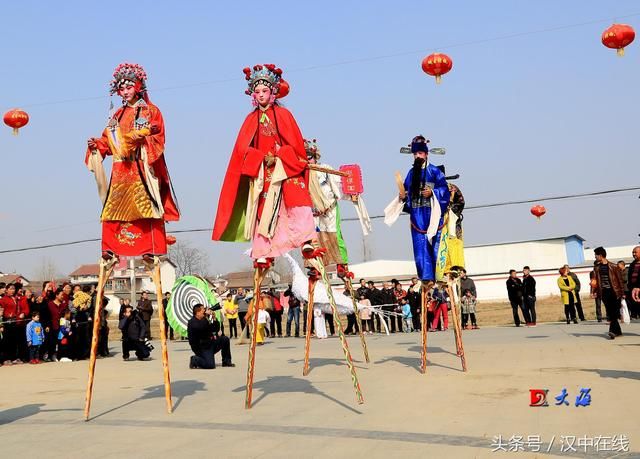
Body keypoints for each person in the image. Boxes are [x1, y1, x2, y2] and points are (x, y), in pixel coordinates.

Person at [212, 63, 315, 265]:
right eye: (257, 91)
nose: (260, 95)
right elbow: (242, 151)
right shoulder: (250, 120)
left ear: (273, 92)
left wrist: (280, 155)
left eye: (264, 91)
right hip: (264, 171)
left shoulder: (284, 115)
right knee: (263, 207)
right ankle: (262, 249)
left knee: (296, 196)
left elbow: (296, 147)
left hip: (286, 167)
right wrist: (260, 157)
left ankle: (305, 239)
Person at [86, 62, 180, 260]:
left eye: (129, 87)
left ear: (138, 86)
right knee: (112, 209)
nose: (125, 91)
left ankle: (150, 248)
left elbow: (157, 136)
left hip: (140, 167)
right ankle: (110, 248)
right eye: (122, 88)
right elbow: (110, 140)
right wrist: (98, 145)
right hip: (120, 170)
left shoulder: (150, 111)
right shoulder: (117, 115)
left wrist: (142, 137)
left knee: (147, 206)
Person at [397, 135, 450, 288]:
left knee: (435, 245)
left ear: (426, 154)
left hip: (432, 213)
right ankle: (426, 277)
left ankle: (439, 275)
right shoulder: (411, 173)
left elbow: (444, 191)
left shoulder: (434, 171)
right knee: (420, 247)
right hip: (417, 216)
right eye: (415, 154)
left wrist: (432, 193)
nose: (417, 156)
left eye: (420, 153)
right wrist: (402, 197)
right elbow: (407, 195)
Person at [187, 304, 234, 369]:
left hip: (210, 344)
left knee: (225, 339)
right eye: (203, 309)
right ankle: (194, 359)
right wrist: (206, 317)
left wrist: (214, 318)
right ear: (197, 312)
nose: (205, 310)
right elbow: (201, 328)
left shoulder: (204, 319)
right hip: (201, 348)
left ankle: (226, 362)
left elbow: (215, 329)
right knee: (210, 365)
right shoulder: (192, 322)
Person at [592, 247, 624, 340]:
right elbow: (595, 281)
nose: (595, 257)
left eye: (596, 255)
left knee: (613, 312)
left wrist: (622, 293)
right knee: (610, 311)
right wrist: (594, 291)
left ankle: (612, 331)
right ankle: (618, 331)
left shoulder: (614, 266)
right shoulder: (597, 267)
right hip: (604, 292)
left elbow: (620, 280)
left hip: (614, 291)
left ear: (600, 255)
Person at [627, 246, 640, 319]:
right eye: (633, 252)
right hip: (633, 289)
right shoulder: (632, 264)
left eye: (635, 252)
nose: (634, 254)